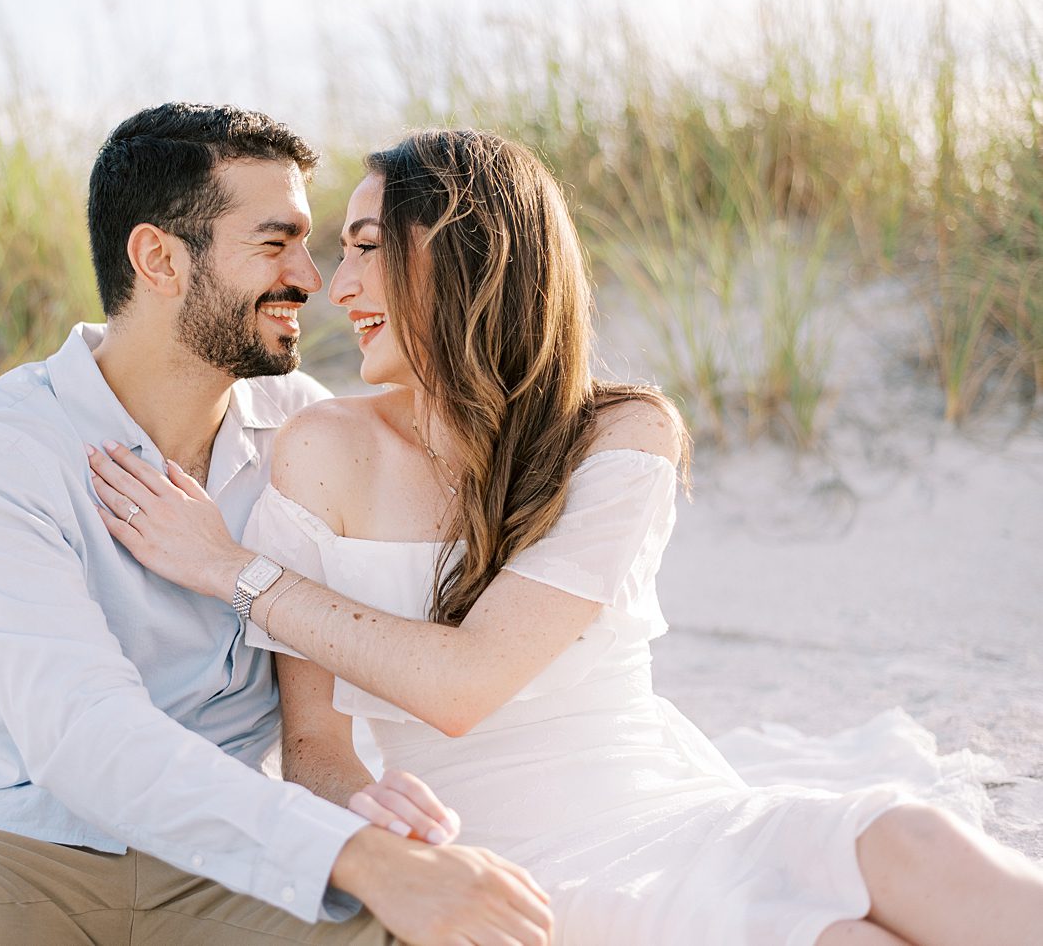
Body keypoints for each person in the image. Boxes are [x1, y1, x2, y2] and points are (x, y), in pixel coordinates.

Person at [86, 128, 1043, 946]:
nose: (339, 285)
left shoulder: (621, 435)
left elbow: (466, 682)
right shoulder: (322, 451)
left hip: (668, 805)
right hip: (508, 850)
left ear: (467, 252)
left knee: (908, 838)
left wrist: (231, 569)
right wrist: (370, 820)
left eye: (370, 246)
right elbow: (317, 749)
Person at [0, 106, 556, 945]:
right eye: (275, 242)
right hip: (18, 856)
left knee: (446, 922)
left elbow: (321, 726)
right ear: (157, 258)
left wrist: (372, 837)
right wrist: (356, 855)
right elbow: (84, 735)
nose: (315, 276)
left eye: (309, 240)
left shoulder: (307, 427)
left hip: (229, 874)